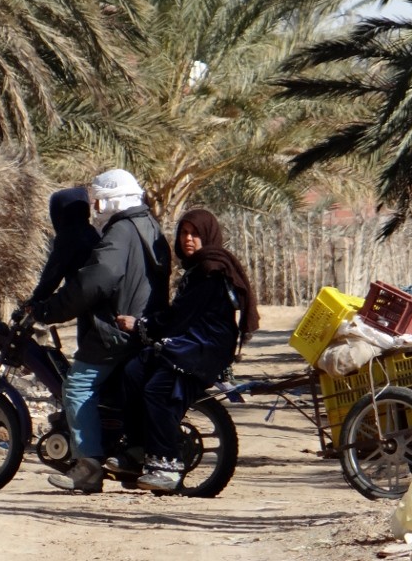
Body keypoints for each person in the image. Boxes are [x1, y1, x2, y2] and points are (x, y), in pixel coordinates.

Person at [31, 168, 171, 493]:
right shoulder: (149, 225)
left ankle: (88, 467)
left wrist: (49, 310)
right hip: (144, 326)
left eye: (99, 202)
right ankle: (129, 451)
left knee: (77, 386)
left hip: (116, 331)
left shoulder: (121, 231)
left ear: (111, 200)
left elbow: (94, 281)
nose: (95, 209)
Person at [108, 208, 259, 492]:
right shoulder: (198, 269)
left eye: (195, 233)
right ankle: (138, 449)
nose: (188, 239)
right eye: (184, 233)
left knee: (158, 390)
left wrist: (141, 324)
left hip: (205, 345)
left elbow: (179, 316)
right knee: (133, 371)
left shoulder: (210, 270)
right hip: (191, 340)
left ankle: (167, 465)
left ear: (208, 235)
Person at [26, 186, 100, 306]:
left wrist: (35, 299)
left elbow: (53, 273)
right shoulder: (91, 231)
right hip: (96, 295)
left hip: (86, 300)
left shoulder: (70, 236)